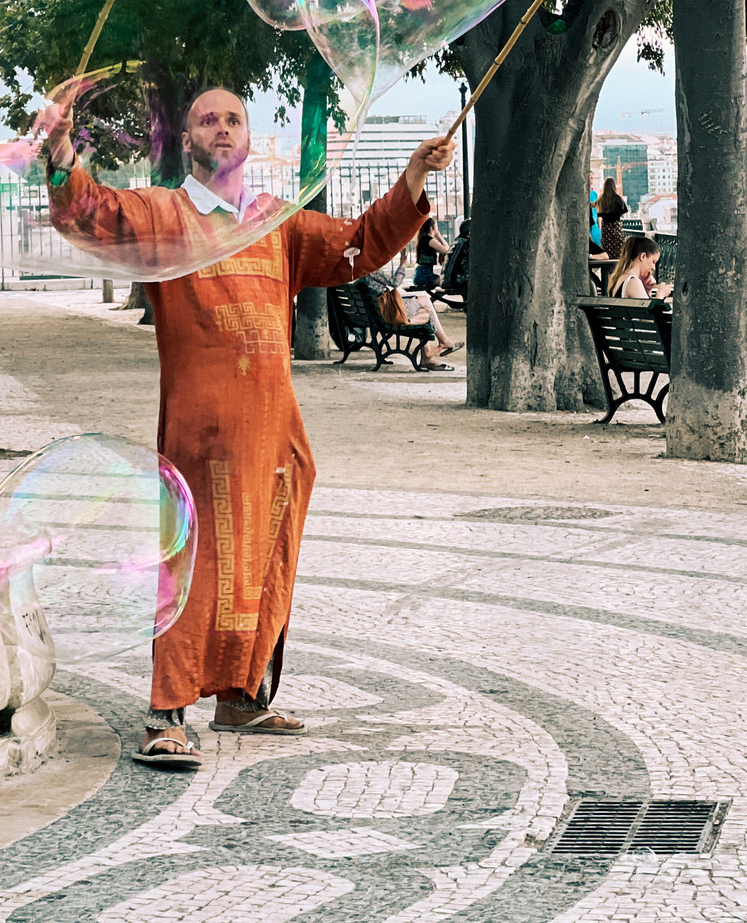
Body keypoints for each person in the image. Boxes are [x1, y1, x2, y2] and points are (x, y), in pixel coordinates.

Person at [44, 88, 454, 769]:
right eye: (207, 118)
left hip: (274, 434)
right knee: (194, 564)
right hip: (200, 433)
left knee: (265, 559)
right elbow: (93, 211)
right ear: (189, 139)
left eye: (233, 118)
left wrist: (413, 176)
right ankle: (165, 712)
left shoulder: (273, 222)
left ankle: (242, 695)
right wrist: (61, 152)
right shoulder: (161, 213)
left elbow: (357, 245)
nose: (222, 128)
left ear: (249, 137)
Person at [364, 249, 463, 369]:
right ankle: (436, 348)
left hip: (380, 311)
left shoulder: (363, 271)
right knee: (426, 308)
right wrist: (402, 263)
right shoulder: (371, 270)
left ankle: (434, 351)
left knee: (425, 303)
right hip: (388, 313)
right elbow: (395, 282)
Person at [608, 235, 672, 301]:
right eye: (653, 262)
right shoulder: (632, 282)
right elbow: (651, 311)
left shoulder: (624, 276)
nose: (654, 268)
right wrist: (661, 295)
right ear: (643, 256)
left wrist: (647, 289)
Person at [412, 216, 449, 290]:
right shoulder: (429, 240)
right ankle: (433, 300)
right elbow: (446, 251)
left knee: (443, 282)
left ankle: (432, 300)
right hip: (425, 275)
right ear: (432, 228)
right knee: (446, 282)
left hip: (421, 274)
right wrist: (439, 236)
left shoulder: (424, 239)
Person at [596, 178, 629, 258]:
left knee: (607, 250)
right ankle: (617, 268)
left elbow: (599, 213)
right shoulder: (618, 198)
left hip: (606, 228)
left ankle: (606, 269)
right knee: (618, 249)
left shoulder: (601, 199)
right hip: (616, 227)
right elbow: (624, 210)